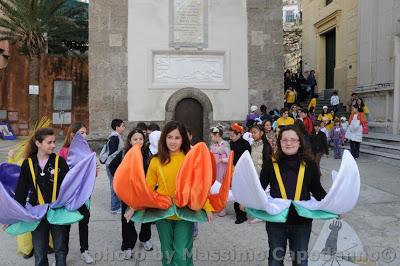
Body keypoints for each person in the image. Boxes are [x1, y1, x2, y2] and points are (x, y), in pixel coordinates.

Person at [145, 121, 214, 265]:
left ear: (184, 139)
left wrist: (207, 207)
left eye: (177, 138)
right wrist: (134, 207)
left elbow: (199, 186)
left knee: (182, 253)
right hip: (163, 212)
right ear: (164, 138)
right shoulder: (156, 160)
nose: (173, 141)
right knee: (167, 252)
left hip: (186, 212)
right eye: (169, 137)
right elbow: (148, 188)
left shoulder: (191, 159)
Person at [259, 125, 327, 265]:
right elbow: (259, 189)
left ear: (300, 142)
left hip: (301, 221)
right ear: (279, 142)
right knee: (275, 261)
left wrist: (335, 206)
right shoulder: (270, 164)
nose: (289, 143)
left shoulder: (310, 164)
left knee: (300, 261)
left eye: (293, 140)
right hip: (276, 221)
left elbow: (317, 190)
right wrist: (246, 202)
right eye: (284, 140)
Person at [14, 128, 70, 266]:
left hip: (58, 212)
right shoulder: (28, 164)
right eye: (49, 142)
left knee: (60, 249)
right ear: (38, 143)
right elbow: (21, 190)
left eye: (54, 142)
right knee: (39, 252)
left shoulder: (60, 162)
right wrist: (13, 215)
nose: (53, 145)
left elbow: (70, 186)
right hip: (37, 213)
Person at [109, 129, 154, 259]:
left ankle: (145, 238)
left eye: (141, 139)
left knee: (146, 218)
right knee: (127, 219)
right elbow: (112, 167)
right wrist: (122, 182)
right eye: (135, 139)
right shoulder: (124, 153)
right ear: (130, 140)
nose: (138, 142)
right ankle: (127, 245)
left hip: (144, 192)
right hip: (128, 194)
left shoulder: (148, 154)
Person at [58, 122, 94, 264]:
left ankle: (84, 250)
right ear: (73, 135)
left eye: (86, 133)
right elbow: (61, 176)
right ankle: (62, 255)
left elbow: (93, 175)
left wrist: (94, 169)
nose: (85, 136)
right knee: (65, 226)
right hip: (69, 196)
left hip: (84, 196)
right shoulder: (63, 151)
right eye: (82, 133)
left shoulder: (88, 150)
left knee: (84, 223)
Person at [229, 123, 251, 224]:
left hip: (242, 170)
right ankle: (237, 211)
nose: (231, 137)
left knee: (241, 193)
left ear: (239, 134)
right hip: (233, 170)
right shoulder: (231, 143)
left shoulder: (245, 144)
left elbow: (248, 159)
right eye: (230, 135)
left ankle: (242, 215)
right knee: (235, 191)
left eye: (233, 135)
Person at [209, 125, 231, 217]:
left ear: (217, 135)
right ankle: (215, 205)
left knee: (221, 187)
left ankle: (222, 207)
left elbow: (229, 157)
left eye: (212, 136)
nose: (211, 138)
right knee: (214, 186)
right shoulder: (213, 145)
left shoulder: (225, 144)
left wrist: (221, 160)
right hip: (214, 168)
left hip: (222, 168)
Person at [105, 119, 125, 214]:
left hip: (114, 165)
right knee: (114, 186)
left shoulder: (116, 137)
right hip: (112, 165)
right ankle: (114, 207)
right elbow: (112, 153)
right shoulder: (114, 138)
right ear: (117, 127)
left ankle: (117, 205)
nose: (124, 128)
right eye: (122, 126)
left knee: (116, 185)